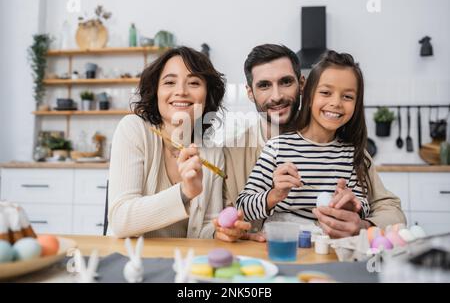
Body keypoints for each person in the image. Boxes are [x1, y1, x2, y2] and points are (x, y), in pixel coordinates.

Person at [220, 45, 405, 241]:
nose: (276, 96)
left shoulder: (352, 153)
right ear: (250, 92)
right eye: (264, 85)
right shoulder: (234, 153)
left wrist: (359, 220)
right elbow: (223, 216)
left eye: (285, 82)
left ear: (302, 85)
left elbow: (384, 208)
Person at [108, 46, 226, 238]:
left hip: (184, 264)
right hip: (133, 262)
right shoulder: (133, 129)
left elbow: (205, 227)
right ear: (156, 92)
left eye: (194, 83)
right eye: (170, 82)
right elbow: (120, 220)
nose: (181, 91)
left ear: (207, 96)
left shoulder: (212, 153)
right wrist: (184, 192)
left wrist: (221, 232)